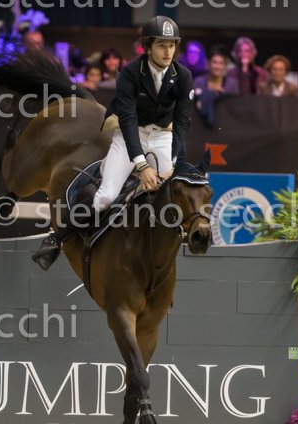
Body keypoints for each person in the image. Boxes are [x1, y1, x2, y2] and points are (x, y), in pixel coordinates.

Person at [33, 16, 193, 270]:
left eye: (171, 45)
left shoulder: (183, 76)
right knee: (106, 196)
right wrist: (142, 166)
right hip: (130, 134)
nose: (167, 51)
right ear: (147, 47)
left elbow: (182, 123)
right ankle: (57, 239)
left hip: (163, 136)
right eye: (161, 45)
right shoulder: (130, 73)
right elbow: (128, 120)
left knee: (173, 195)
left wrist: (174, 162)